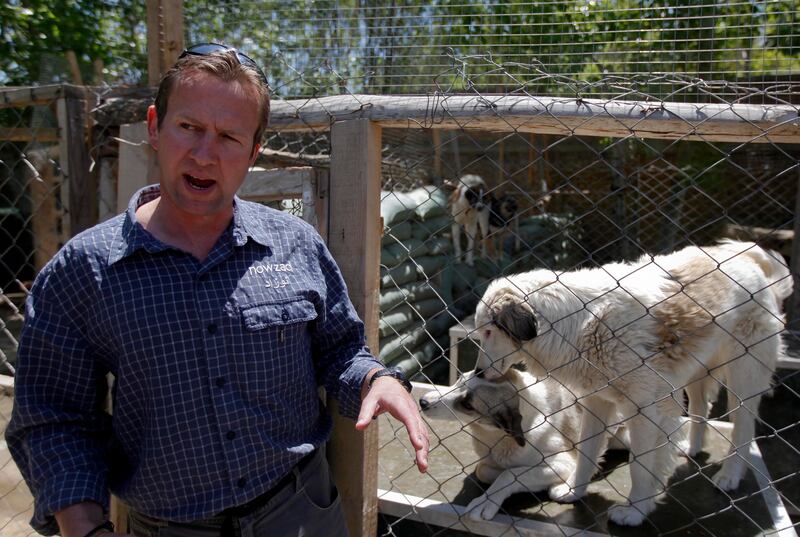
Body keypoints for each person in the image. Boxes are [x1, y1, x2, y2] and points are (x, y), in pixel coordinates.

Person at [6, 43, 428, 537]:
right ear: (154, 127)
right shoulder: (85, 270)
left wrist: (375, 379)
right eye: (189, 127)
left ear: (253, 151)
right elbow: (54, 418)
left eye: (229, 136)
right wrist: (85, 527)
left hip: (300, 512)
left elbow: (340, 352)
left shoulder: (294, 244)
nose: (204, 154)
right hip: (169, 526)